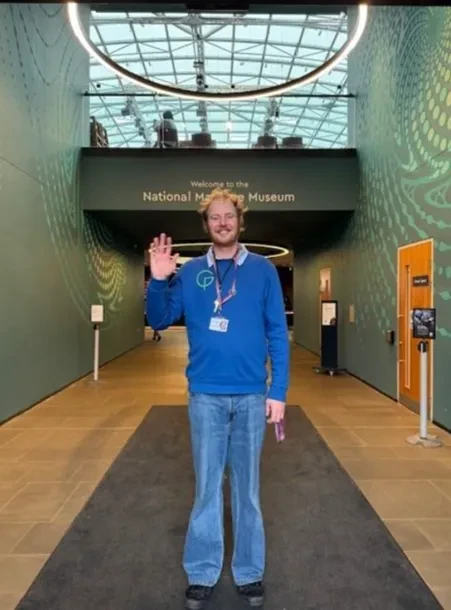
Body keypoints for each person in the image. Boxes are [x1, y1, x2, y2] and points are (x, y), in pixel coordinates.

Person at [146, 188, 290, 609]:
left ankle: (249, 572)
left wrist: (277, 391)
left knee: (247, 490)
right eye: (214, 217)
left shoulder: (263, 271)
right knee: (207, 488)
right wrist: (157, 280)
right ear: (206, 224)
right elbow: (159, 317)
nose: (222, 223)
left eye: (229, 216)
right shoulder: (190, 273)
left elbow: (278, 335)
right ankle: (203, 570)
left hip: (250, 395)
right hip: (205, 396)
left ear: (240, 221)